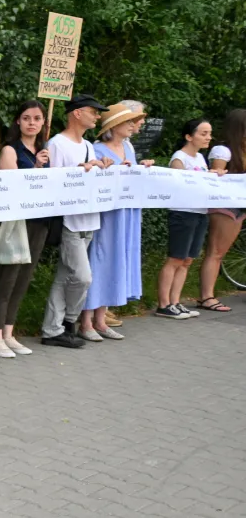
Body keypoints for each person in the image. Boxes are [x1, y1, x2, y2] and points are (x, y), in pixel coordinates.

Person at [79, 102, 151, 340]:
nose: (133, 126)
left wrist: (143, 168)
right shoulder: (98, 149)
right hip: (108, 214)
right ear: (115, 125)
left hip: (127, 212)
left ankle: (102, 318)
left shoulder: (128, 148)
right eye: (129, 122)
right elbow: (92, 179)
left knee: (119, 258)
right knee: (100, 259)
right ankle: (86, 321)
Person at [41, 94, 109, 346]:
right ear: (77, 113)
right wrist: (79, 171)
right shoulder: (57, 143)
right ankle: (69, 320)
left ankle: (53, 329)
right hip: (69, 220)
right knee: (82, 276)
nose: (97, 116)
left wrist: (103, 168)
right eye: (93, 111)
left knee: (64, 276)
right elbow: (54, 181)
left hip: (89, 219)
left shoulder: (89, 145)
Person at [0, 101, 52, 357]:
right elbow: (12, 185)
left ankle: (9, 333)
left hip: (39, 221)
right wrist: (36, 167)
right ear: (18, 121)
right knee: (7, 277)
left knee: (24, 277)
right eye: (26, 118)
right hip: (16, 222)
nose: (32, 123)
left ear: (43, 123)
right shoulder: (10, 151)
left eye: (37, 118)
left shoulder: (46, 151)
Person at [156, 118, 214, 319]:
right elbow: (180, 185)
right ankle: (163, 304)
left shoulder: (200, 159)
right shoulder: (179, 158)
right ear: (189, 136)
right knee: (175, 258)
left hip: (200, 212)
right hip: (183, 212)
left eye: (209, 134)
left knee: (187, 260)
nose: (208, 138)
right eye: (203, 133)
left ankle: (176, 301)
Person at [197, 108, 246, 312]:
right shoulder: (224, 150)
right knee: (216, 252)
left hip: (240, 204)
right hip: (226, 205)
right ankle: (206, 296)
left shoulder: (242, 150)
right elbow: (217, 177)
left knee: (219, 251)